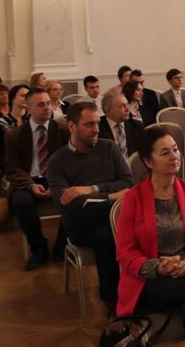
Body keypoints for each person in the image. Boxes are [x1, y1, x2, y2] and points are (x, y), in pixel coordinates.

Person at [116, 126, 185, 346]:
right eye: (165, 153)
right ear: (148, 161)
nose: (174, 157)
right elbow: (125, 253)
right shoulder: (133, 199)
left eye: (175, 150)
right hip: (149, 282)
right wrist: (159, 267)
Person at [47, 101, 134, 312]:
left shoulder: (108, 147)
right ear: (71, 127)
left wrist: (90, 189)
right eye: (89, 124)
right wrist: (112, 197)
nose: (96, 129)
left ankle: (114, 302)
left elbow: (128, 182)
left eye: (97, 123)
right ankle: (119, 302)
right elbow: (65, 202)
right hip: (78, 222)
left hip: (108, 221)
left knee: (105, 236)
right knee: (114, 216)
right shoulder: (57, 161)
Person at [4, 88, 69, 269]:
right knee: (21, 203)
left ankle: (61, 247)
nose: (47, 108)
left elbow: (69, 162)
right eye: (41, 104)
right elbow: (12, 167)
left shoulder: (62, 130)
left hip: (55, 178)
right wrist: (31, 185)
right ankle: (39, 248)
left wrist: (55, 184)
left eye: (48, 103)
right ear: (29, 108)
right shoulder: (15, 135)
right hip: (28, 180)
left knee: (74, 199)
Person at [98, 93, 144, 159]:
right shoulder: (97, 128)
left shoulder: (137, 126)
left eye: (127, 104)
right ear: (108, 110)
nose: (127, 109)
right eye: (122, 106)